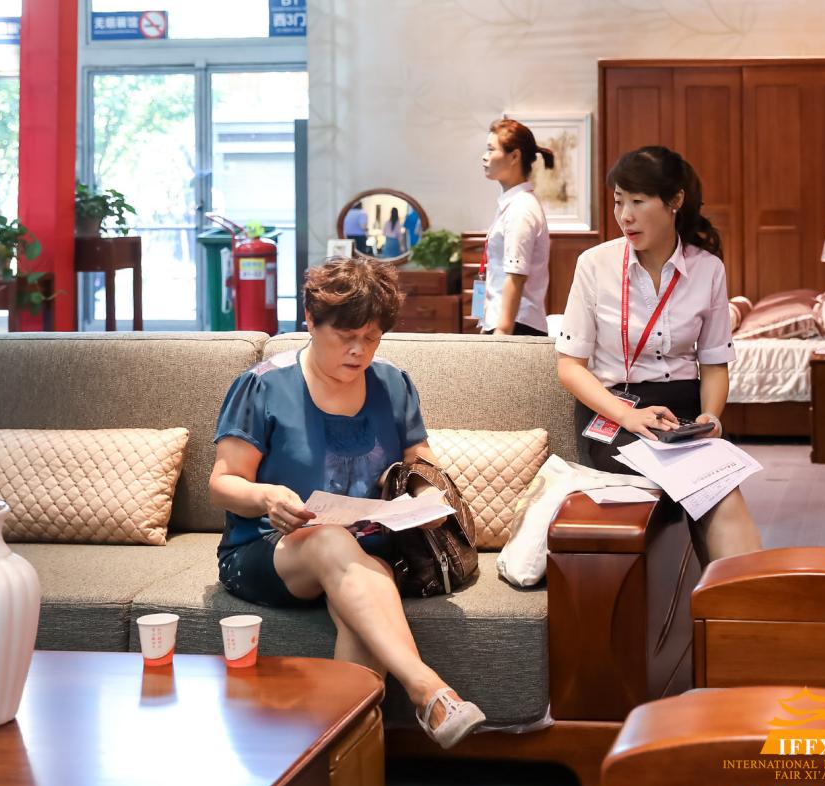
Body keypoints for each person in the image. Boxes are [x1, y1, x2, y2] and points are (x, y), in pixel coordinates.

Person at [209, 256, 487, 749]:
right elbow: (223, 482)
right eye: (346, 336)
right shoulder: (263, 385)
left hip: (366, 551)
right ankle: (428, 689)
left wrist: (427, 497)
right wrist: (267, 496)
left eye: (372, 338)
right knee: (328, 541)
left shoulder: (393, 383)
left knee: (364, 612)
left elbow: (420, 463)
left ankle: (340, 764)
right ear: (310, 321)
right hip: (269, 549)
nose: (360, 351)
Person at [555, 146, 761, 561]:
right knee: (699, 481)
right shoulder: (595, 265)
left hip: (683, 411)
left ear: (675, 201)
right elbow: (570, 368)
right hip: (615, 411)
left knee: (723, 489)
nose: (624, 216)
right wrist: (627, 416)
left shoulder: (708, 269)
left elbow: (714, 364)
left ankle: (740, 596)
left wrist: (710, 417)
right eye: (619, 201)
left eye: (637, 201)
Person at [478, 118, 553, 335]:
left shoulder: (522, 208)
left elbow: (516, 276)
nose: (484, 156)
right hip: (506, 323)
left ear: (514, 156)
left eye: (491, 149)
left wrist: (502, 332)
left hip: (516, 327)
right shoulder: (512, 204)